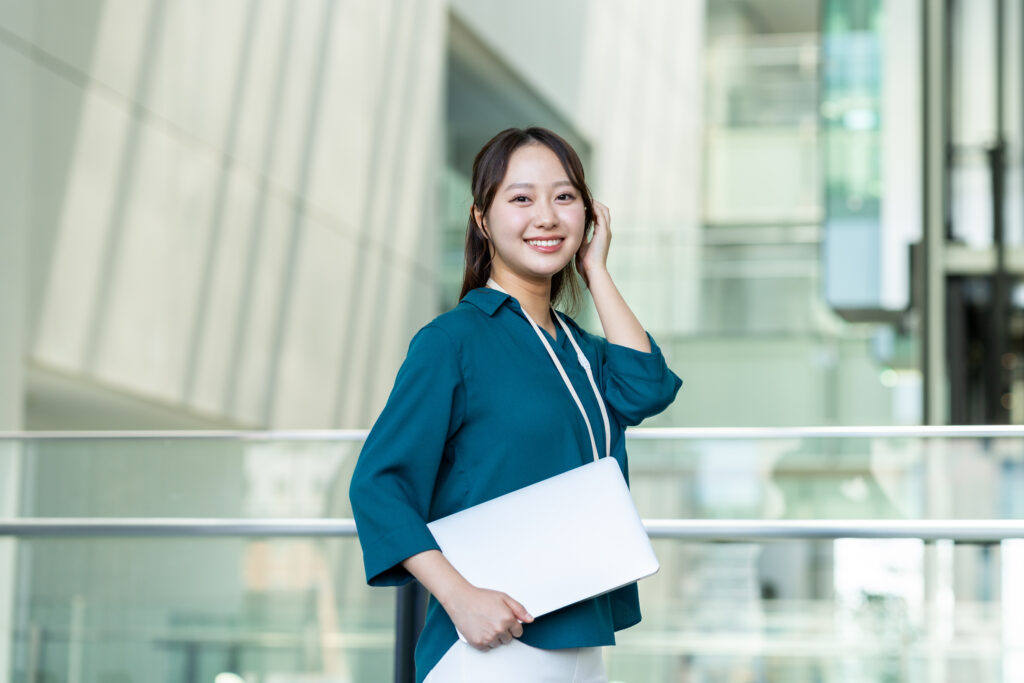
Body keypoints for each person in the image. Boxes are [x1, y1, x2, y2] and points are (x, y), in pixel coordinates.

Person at [349, 127, 682, 682]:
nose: (546, 217)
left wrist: (596, 270)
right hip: (492, 640)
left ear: (588, 214)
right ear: (482, 219)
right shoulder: (453, 341)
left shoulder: (580, 349)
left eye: (564, 197)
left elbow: (646, 388)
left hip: (582, 637)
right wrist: (459, 597)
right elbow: (378, 486)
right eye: (522, 198)